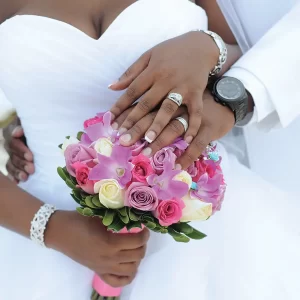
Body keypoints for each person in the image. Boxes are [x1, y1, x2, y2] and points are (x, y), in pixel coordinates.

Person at [1, 1, 299, 300]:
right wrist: (52, 229)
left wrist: (207, 48)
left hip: (210, 229)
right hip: (44, 227)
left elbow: (245, 56)